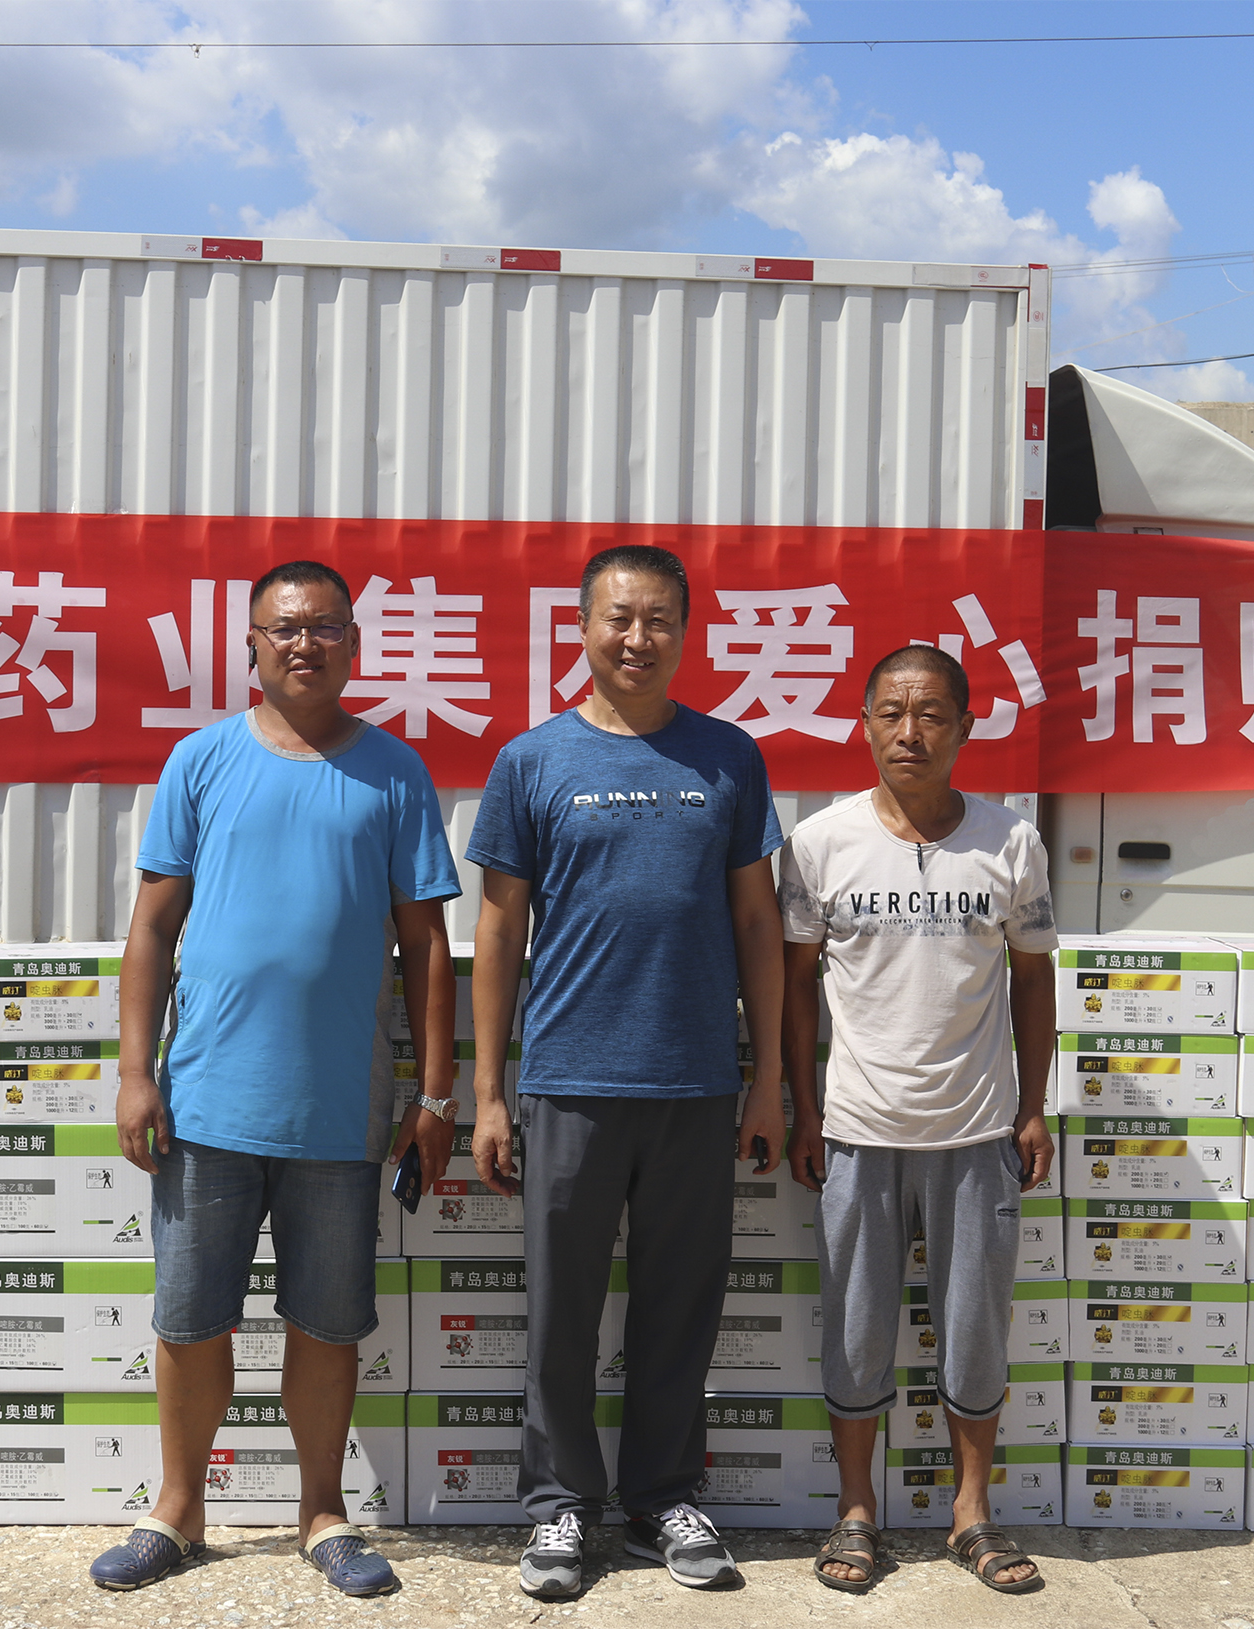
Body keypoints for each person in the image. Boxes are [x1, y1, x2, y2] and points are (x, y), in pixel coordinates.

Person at [90, 561, 462, 1599]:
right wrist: (134, 1072)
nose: (305, 644)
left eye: (325, 628)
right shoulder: (201, 760)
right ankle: (178, 1508)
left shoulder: (394, 772)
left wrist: (436, 1096)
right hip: (206, 1102)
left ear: (355, 645)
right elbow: (152, 929)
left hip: (339, 1110)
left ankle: (322, 1512)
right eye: (284, 628)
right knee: (189, 1319)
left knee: (327, 1324)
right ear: (251, 645)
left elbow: (427, 946)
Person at [465, 544, 786, 1599]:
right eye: (618, 617)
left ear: (685, 632)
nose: (636, 638)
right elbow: (499, 930)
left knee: (680, 1306)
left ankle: (661, 1498)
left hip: (695, 1079)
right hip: (569, 1078)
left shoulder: (727, 757)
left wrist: (767, 1078)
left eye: (657, 620)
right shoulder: (533, 760)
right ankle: (560, 1505)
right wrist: (488, 1092)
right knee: (561, 1311)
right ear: (582, 627)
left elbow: (757, 922)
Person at [778, 643, 1057, 1596]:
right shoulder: (820, 842)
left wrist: (1032, 1106)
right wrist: (804, 1106)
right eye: (891, 713)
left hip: (976, 1131)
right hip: (858, 1128)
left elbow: (1033, 979)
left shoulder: (1011, 840)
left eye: (932, 713)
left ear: (965, 727)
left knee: (974, 1331)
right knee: (856, 1331)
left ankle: (971, 1513)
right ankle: (855, 1509)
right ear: (864, 724)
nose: (910, 732)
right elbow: (796, 987)